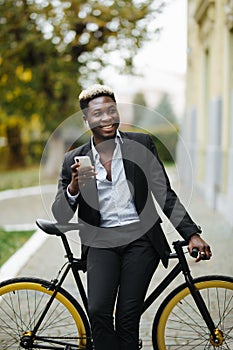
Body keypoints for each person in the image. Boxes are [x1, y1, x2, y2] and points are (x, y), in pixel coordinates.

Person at [52, 84, 212, 350]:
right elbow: (60, 213)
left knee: (128, 318)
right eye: (98, 113)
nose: (107, 118)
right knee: (99, 312)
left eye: (111, 111)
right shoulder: (74, 159)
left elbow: (164, 193)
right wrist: (74, 187)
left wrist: (192, 234)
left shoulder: (141, 144)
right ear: (86, 119)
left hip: (141, 240)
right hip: (100, 242)